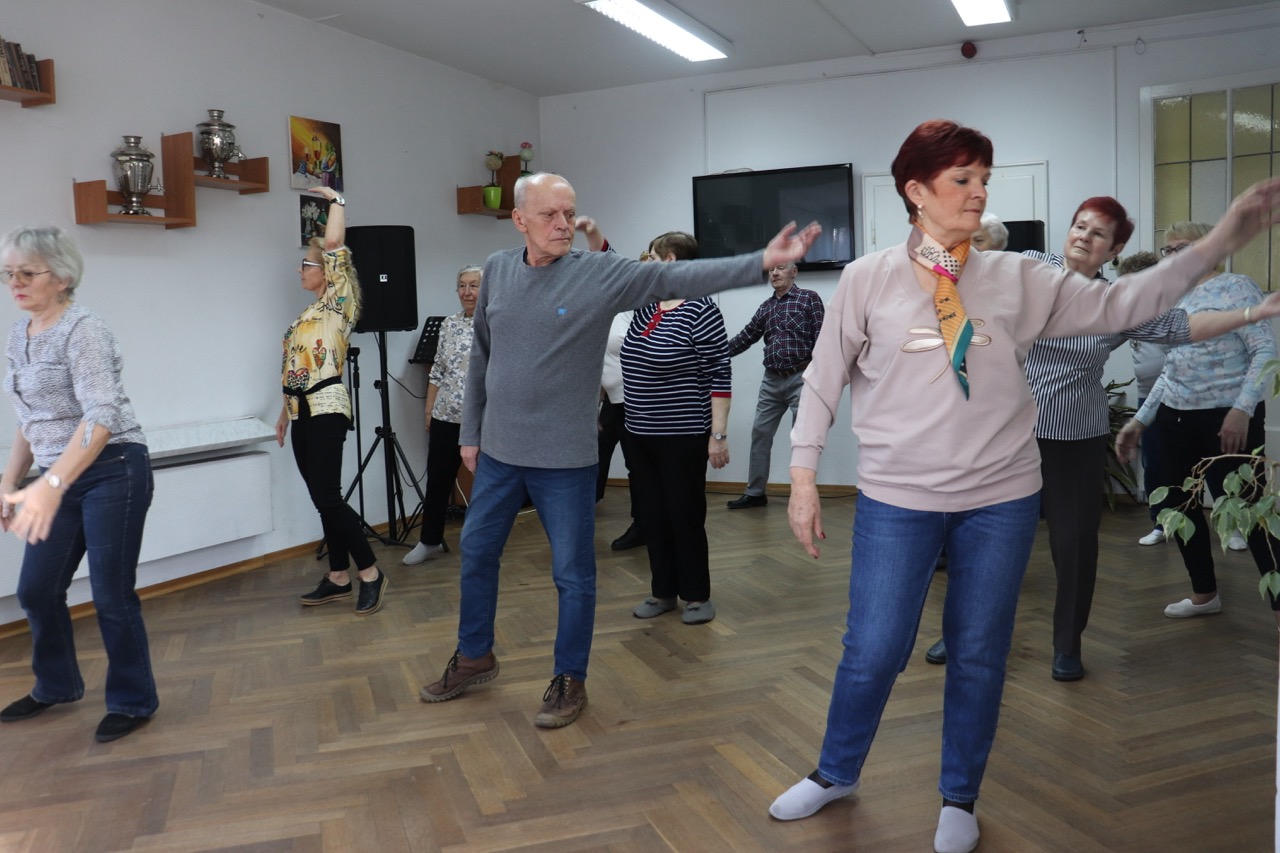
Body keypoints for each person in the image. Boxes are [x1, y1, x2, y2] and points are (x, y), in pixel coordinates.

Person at [772, 119, 1280, 853]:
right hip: (896, 499)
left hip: (999, 499)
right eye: (961, 179)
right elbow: (823, 380)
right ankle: (835, 771)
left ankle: (959, 795)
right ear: (916, 191)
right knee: (874, 647)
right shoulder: (866, 278)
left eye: (984, 178)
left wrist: (1217, 241)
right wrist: (802, 475)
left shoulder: (1019, 277)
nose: (979, 192)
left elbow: (1125, 306)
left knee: (980, 649)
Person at [418, 172, 820, 729]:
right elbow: (483, 353)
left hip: (564, 458)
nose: (563, 224)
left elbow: (678, 275)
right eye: (550, 215)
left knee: (572, 573)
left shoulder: (597, 273)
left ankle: (569, 678)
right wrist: (471, 431)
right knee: (478, 554)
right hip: (500, 453)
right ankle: (474, 655)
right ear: (519, 220)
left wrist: (759, 262)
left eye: (569, 213)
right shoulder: (498, 269)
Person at [925, 199, 1274, 679]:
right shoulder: (1031, 267)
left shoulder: (1116, 303)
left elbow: (1181, 329)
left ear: (1114, 250)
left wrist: (1251, 312)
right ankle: (961, 631)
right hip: (1003, 430)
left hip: (1074, 434)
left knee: (1073, 543)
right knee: (983, 537)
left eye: (1099, 233)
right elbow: (966, 266)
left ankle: (1067, 645)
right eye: (1079, 226)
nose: (1084, 236)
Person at [0, 226, 158, 743]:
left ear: (63, 277)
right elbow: (30, 419)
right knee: (36, 589)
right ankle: (56, 685)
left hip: (113, 467)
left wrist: (51, 483)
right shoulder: (18, 335)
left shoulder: (83, 329)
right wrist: (10, 482)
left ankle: (133, 701)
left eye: (27, 273)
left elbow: (102, 415)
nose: (15, 283)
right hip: (56, 477)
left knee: (111, 593)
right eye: (8, 274)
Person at [1117, 221, 1280, 623]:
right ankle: (1204, 594)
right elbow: (1172, 368)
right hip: (1175, 417)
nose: (1173, 257)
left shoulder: (1236, 287)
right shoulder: (1174, 296)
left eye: (1182, 248)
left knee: (1248, 511)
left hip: (1227, 417)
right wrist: (1140, 420)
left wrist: (1242, 409)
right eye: (1168, 251)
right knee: (1178, 505)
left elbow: (1264, 351)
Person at [278, 187, 388, 616]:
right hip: (300, 413)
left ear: (325, 270)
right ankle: (339, 575)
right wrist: (283, 414)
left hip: (326, 408)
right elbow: (295, 368)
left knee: (327, 496)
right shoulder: (304, 317)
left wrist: (336, 203)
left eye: (306, 264)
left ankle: (370, 573)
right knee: (321, 496)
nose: (300, 270)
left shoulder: (337, 305)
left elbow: (336, 244)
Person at [622, 231, 730, 624]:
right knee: (652, 515)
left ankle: (697, 595)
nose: (646, 264)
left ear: (669, 261)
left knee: (684, 514)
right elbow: (613, 267)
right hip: (638, 433)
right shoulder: (647, 306)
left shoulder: (701, 309)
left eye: (651, 257)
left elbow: (720, 375)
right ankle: (663, 591)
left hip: (683, 435)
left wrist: (717, 436)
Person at [723, 259, 823, 509]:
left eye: (780, 268)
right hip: (771, 381)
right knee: (760, 433)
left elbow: (823, 338)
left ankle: (801, 493)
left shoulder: (809, 299)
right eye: (771, 269)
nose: (775, 273)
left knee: (802, 440)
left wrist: (819, 375)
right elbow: (746, 337)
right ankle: (755, 493)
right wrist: (716, 354)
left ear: (794, 271)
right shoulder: (766, 307)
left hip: (802, 377)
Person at [404, 265, 482, 565]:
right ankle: (430, 540)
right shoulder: (449, 324)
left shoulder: (494, 322)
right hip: (445, 415)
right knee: (437, 480)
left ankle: (480, 542)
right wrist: (429, 410)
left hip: (480, 419)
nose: (467, 292)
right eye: (462, 285)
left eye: (474, 285)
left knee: (485, 483)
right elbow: (437, 370)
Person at [1120, 250, 1171, 546]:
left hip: (1179, 398)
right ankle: (1160, 524)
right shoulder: (1130, 315)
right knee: (1155, 464)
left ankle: (1235, 527)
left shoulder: (1172, 310)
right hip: (1146, 400)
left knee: (1203, 460)